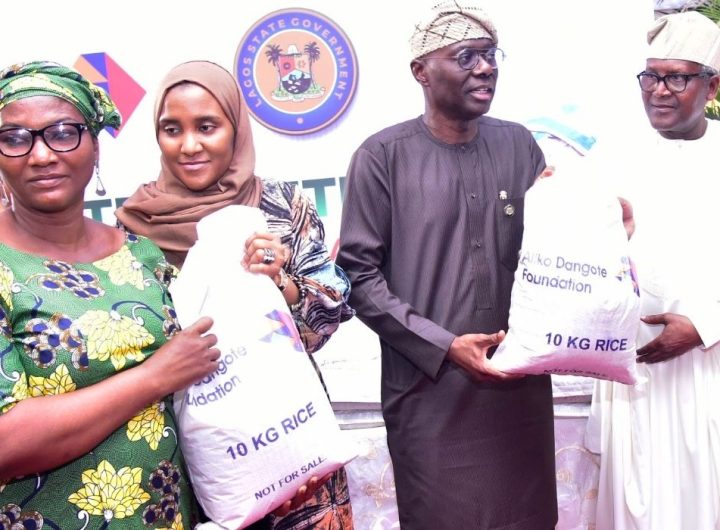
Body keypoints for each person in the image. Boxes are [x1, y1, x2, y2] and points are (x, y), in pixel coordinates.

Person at [336, 3, 557, 529]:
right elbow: (360, 278)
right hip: (428, 398)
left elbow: (551, 253)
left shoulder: (518, 144)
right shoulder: (382, 157)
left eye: (490, 55)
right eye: (466, 57)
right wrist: (444, 345)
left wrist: (598, 219)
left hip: (517, 391)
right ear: (421, 71)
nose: (485, 68)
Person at [115, 60, 355, 529]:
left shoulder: (282, 206)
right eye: (171, 129)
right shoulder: (131, 231)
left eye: (208, 126)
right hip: (192, 462)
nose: (189, 146)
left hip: (293, 440)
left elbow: (328, 315)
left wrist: (278, 283)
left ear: (236, 127)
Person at [0, 61, 222, 528]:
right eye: (15, 138)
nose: (41, 155)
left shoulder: (139, 253)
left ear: (95, 146)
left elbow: (202, 372)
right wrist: (153, 377)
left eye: (63, 132)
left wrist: (260, 277)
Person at [587, 11, 720, 530]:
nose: (659, 91)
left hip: (709, 368)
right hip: (635, 374)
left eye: (677, 77)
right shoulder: (609, 158)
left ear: (713, 86)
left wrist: (705, 326)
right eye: (651, 76)